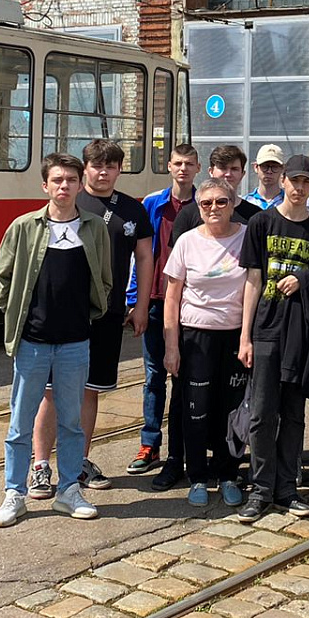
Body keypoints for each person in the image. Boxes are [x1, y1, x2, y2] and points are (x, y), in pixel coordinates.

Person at [0, 152, 112, 527]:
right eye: (57, 180)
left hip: (75, 342)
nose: (64, 187)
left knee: (72, 422)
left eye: (70, 180)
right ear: (46, 185)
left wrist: (87, 313)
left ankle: (69, 491)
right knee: (20, 422)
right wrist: (18, 316)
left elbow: (104, 280)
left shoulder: (93, 227)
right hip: (33, 342)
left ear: (79, 185)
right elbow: (2, 279)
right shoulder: (24, 227)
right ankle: (15, 493)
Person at [29, 140, 153, 499]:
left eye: (110, 166)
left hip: (108, 312)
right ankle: (40, 466)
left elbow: (145, 258)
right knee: (51, 393)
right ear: (85, 169)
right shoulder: (68, 202)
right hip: (63, 314)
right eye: (96, 166)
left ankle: (79, 461)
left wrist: (140, 305)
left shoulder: (133, 210)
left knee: (90, 390)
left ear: (119, 169)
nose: (102, 172)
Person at [238, 154, 309, 522]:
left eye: (305, 182)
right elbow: (252, 282)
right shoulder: (261, 223)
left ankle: (287, 489)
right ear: (284, 183)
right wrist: (245, 336)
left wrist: (305, 278)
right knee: (262, 414)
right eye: (293, 181)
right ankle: (260, 488)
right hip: (266, 329)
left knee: (294, 414)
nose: (298, 188)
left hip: (303, 334)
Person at [163, 177, 251, 508]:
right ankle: (198, 476)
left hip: (234, 335)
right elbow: (172, 297)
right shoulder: (187, 242)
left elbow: (253, 286)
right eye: (206, 203)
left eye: (221, 202)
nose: (213, 208)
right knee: (195, 409)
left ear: (233, 204)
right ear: (198, 208)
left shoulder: (246, 237)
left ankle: (228, 473)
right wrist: (172, 346)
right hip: (195, 335)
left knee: (232, 409)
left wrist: (247, 337)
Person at [128, 144, 199, 484]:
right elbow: (140, 256)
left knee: (186, 380)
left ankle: (185, 448)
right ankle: (149, 443)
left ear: (198, 168)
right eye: (177, 163)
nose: (183, 169)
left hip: (194, 306)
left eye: (189, 164)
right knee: (154, 376)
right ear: (169, 166)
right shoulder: (153, 204)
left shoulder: (207, 204)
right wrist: (136, 301)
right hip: (157, 300)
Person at [169, 144, 264, 239]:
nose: (228, 174)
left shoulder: (255, 215)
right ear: (211, 171)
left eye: (234, 169)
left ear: (242, 174)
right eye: (223, 168)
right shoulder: (188, 214)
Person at [245, 144, 287, 208]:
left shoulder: (288, 202)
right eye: (265, 166)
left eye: (274, 167)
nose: (269, 171)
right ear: (256, 167)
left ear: (282, 169)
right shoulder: (246, 202)